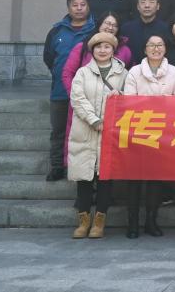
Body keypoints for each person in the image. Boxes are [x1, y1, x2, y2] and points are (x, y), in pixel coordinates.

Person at [122, 35, 175, 238]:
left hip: (163, 132)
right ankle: (132, 223)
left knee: (155, 179)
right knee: (134, 180)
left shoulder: (174, 71)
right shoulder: (134, 71)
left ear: (165, 48)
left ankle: (151, 221)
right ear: (145, 49)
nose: (156, 49)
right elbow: (129, 101)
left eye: (160, 45)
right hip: (138, 131)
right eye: (152, 45)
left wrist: (157, 102)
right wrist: (159, 102)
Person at [67, 32, 126, 239]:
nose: (102, 50)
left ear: (113, 50)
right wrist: (94, 120)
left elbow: (130, 98)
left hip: (110, 134)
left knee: (104, 180)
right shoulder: (82, 73)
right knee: (84, 179)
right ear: (92, 51)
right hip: (86, 131)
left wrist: (121, 97)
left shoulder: (123, 73)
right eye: (98, 47)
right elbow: (77, 98)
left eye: (107, 47)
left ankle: (99, 222)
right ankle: (83, 222)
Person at [61, 12, 132, 166]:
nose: (110, 27)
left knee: (107, 149)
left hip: (110, 109)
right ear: (99, 24)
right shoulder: (82, 47)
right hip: (84, 104)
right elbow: (67, 73)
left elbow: (128, 81)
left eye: (114, 25)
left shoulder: (125, 51)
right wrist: (76, 95)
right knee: (82, 145)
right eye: (107, 23)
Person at [43, 0, 95, 182]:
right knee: (58, 131)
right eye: (75, 5)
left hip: (88, 93)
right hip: (60, 91)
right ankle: (57, 167)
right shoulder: (56, 31)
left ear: (88, 7)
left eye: (83, 4)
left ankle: (82, 169)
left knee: (84, 132)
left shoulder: (95, 31)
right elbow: (49, 57)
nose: (79, 8)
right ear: (68, 8)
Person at [119, 0, 171, 65]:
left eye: (151, 2)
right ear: (138, 6)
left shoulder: (166, 29)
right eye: (143, 2)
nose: (147, 5)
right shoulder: (126, 28)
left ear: (158, 6)